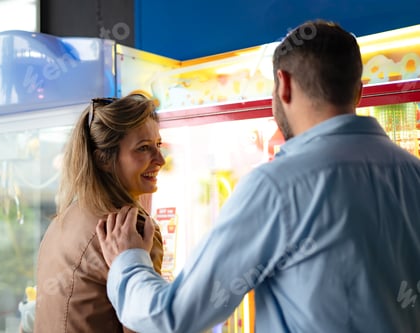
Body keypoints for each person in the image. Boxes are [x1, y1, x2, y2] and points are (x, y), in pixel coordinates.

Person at [96, 20, 420, 333]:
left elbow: (174, 316)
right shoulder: (412, 173)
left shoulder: (277, 186)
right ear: (359, 91)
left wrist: (128, 261)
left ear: (284, 83)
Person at [34, 93, 166, 332]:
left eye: (158, 145)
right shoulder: (131, 228)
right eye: (143, 148)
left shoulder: (63, 220)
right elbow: (148, 326)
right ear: (104, 159)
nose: (160, 159)